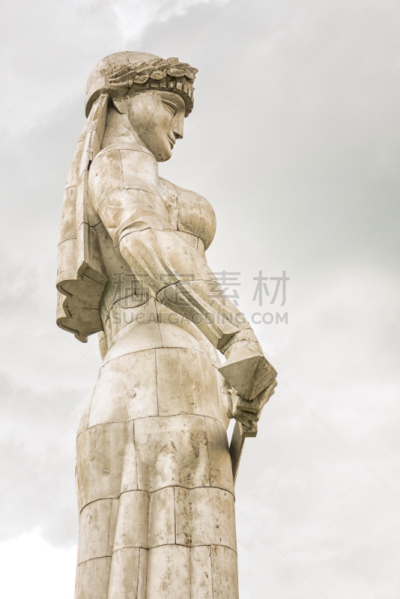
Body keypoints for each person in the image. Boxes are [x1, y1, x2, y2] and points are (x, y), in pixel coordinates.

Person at [56, 51, 277, 599]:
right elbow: (145, 240)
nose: (180, 128)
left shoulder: (131, 173)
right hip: (160, 382)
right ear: (120, 101)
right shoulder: (118, 164)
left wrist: (233, 390)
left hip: (166, 379)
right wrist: (234, 333)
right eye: (169, 105)